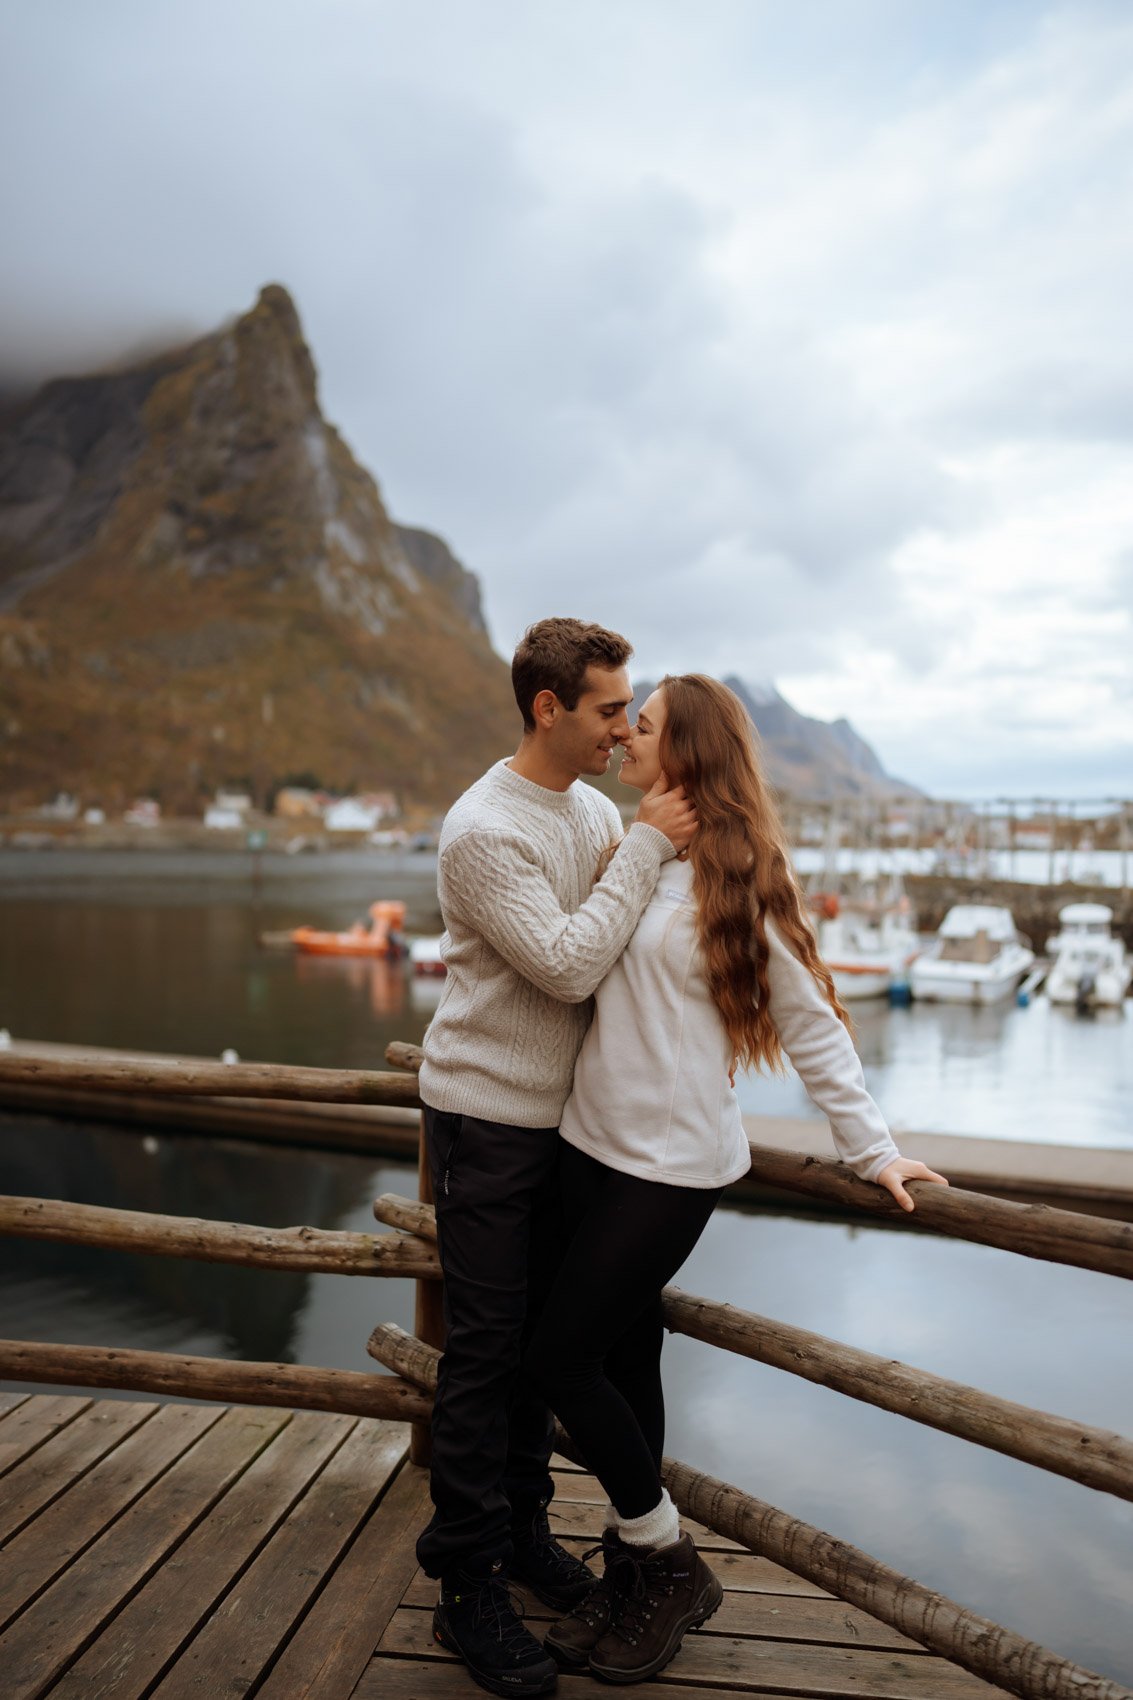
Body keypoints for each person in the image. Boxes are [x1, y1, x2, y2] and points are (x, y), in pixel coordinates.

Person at [523, 674, 948, 1685]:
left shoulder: (732, 874)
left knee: (555, 1363)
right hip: (585, 1144)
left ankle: (669, 1562)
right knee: (624, 1365)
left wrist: (872, 1147)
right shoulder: (633, 846)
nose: (626, 732)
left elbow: (805, 1019)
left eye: (647, 723)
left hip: (667, 1168)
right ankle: (636, 1578)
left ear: (691, 751)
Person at [417, 618, 698, 1699]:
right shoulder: (482, 831)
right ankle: (464, 1582)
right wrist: (643, 845)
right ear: (548, 708)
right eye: (607, 709)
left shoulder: (585, 806)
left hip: (569, 1128)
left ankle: (526, 1532)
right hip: (488, 1120)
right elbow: (572, 966)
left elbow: (631, 950)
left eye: (629, 708)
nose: (623, 729)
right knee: (486, 1352)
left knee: (542, 1341)